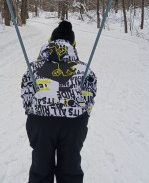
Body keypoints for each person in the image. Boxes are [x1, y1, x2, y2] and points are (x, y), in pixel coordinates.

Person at [21, 21, 97, 183]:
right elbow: (89, 98)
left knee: (40, 169)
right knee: (70, 168)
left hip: (40, 123)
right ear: (73, 45)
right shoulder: (84, 70)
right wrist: (80, 116)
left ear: (49, 42)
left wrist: (36, 113)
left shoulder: (33, 68)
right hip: (74, 124)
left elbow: (27, 97)